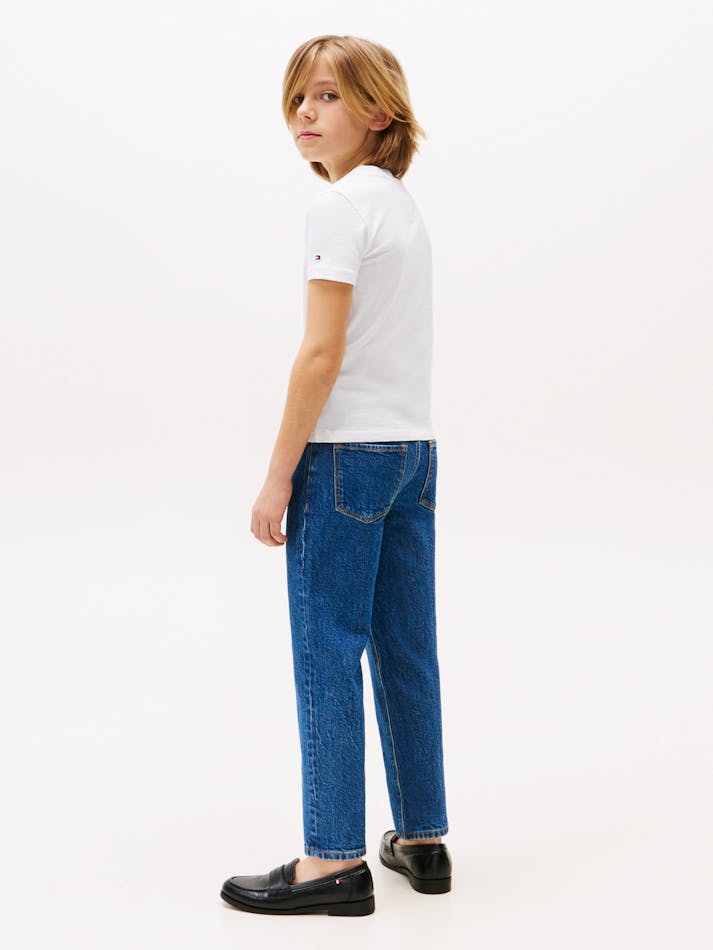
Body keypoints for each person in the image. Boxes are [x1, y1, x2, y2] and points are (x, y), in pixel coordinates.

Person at [220, 34, 451, 917]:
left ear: (379, 111)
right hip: (412, 454)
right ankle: (422, 839)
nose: (304, 115)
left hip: (346, 457)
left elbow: (320, 355)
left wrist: (278, 475)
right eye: (296, 100)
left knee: (326, 651)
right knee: (405, 649)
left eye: (325, 96)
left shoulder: (338, 207)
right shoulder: (401, 208)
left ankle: (331, 861)